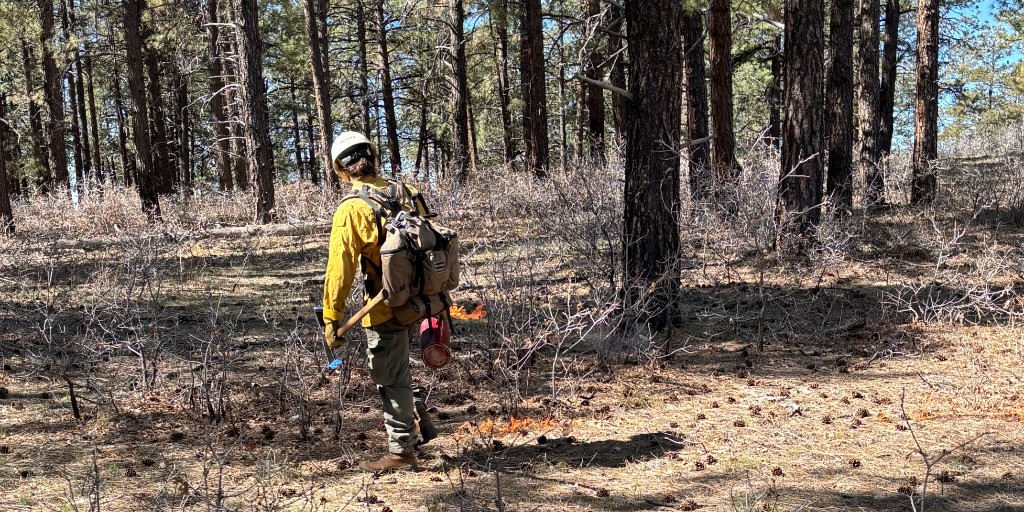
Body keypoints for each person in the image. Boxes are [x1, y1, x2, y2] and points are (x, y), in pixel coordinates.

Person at [322, 131, 437, 472]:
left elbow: (339, 269)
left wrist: (332, 317)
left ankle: (402, 451)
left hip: (383, 303)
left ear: (341, 170)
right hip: (421, 298)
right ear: (371, 155)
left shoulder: (352, 209)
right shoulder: (407, 191)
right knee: (397, 366)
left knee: (388, 374)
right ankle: (422, 425)